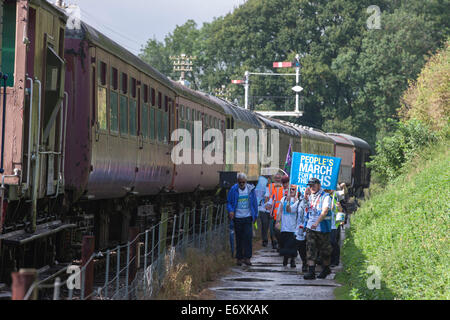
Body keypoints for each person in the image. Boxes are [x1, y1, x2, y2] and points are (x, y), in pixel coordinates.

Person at [303, 178, 333, 280]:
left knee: (325, 252)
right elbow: (306, 209)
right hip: (310, 228)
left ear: (319, 185)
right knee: (310, 249)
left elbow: (324, 211)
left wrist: (317, 222)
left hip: (322, 228)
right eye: (310, 185)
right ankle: (311, 272)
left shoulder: (325, 196)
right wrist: (305, 198)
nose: (312, 187)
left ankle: (326, 269)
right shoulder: (310, 196)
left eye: (314, 185)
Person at [227, 173, 258, 266]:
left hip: (248, 217)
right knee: (239, 238)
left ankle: (247, 258)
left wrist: (255, 215)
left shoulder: (250, 190)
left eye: (243, 182)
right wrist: (231, 210)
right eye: (240, 182)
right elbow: (229, 202)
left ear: (246, 181)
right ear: (237, 182)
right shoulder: (233, 190)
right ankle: (239, 258)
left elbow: (254, 203)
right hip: (238, 218)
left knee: (248, 238)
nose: (241, 184)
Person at [266, 175, 290, 252]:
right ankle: (280, 245)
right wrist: (267, 205)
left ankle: (285, 247)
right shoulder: (277, 190)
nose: (285, 184)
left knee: (287, 233)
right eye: (284, 183)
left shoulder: (292, 191)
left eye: (286, 183)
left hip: (288, 217)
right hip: (277, 216)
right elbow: (271, 200)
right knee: (277, 232)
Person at [265, 173, 283, 250]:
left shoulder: (285, 188)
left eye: (279, 178)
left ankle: (280, 244)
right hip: (273, 213)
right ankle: (274, 242)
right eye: (276, 178)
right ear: (274, 179)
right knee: (273, 230)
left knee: (280, 231)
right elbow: (268, 198)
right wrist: (267, 206)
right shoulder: (270, 186)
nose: (278, 179)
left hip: (281, 214)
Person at [296, 188, 310, 272]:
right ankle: (304, 261)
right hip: (300, 230)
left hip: (310, 229)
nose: (307, 195)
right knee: (301, 247)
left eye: (309, 193)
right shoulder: (299, 202)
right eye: (306, 193)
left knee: (309, 247)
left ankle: (309, 264)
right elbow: (290, 210)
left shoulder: (314, 202)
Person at [258, 176, 273, 247]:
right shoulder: (260, 188)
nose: (267, 180)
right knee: (264, 225)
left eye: (268, 179)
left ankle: (274, 241)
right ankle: (265, 240)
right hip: (262, 210)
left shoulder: (273, 188)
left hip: (271, 210)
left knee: (272, 227)